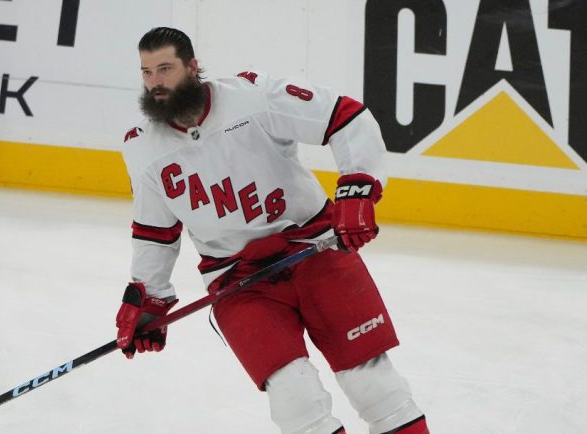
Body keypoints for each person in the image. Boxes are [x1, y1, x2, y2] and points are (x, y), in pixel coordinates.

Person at [115, 27, 430, 434]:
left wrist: (357, 190)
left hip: (315, 250)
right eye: (146, 73)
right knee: (295, 401)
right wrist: (149, 296)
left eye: (165, 69)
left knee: (374, 385)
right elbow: (156, 230)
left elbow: (345, 115)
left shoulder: (253, 96)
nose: (155, 83)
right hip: (240, 281)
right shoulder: (142, 147)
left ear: (193, 67)